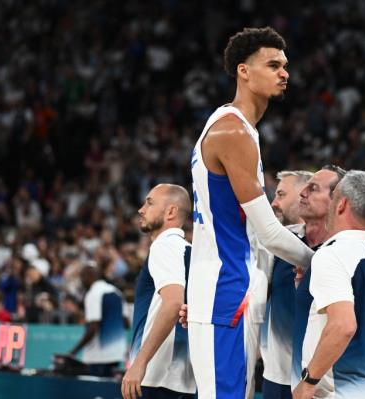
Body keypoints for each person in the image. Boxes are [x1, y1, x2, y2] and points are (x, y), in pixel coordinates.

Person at [187, 27, 314, 399]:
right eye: (273, 64)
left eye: (285, 65)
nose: (284, 72)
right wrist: (320, 260)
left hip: (227, 292)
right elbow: (270, 234)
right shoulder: (234, 133)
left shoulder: (233, 126)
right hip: (229, 292)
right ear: (244, 71)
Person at [292, 170, 365, 399]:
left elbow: (344, 325)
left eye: (333, 196)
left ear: (341, 204)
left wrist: (309, 381)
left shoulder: (331, 256)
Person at [261, 166, 341, 399]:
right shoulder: (280, 243)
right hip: (276, 377)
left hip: (322, 383)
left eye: (312, 189)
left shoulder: (344, 251)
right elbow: (252, 293)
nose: (303, 194)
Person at [121, 184, 195, 399]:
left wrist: (139, 363)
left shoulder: (165, 246)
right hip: (181, 378)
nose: (141, 209)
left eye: (150, 202)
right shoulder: (188, 249)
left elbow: (173, 303)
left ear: (171, 211)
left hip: (156, 377)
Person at [260, 170, 312, 399]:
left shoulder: (331, 245)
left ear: (304, 195)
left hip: (314, 377)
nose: (274, 202)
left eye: (281, 194)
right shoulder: (276, 245)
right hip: (275, 375)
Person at [68, 265, 127, 377]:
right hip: (117, 352)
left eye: (82, 278)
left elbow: (93, 327)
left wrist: (73, 352)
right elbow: (125, 322)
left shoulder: (93, 294)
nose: (81, 282)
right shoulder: (117, 292)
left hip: (98, 355)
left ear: (88, 277)